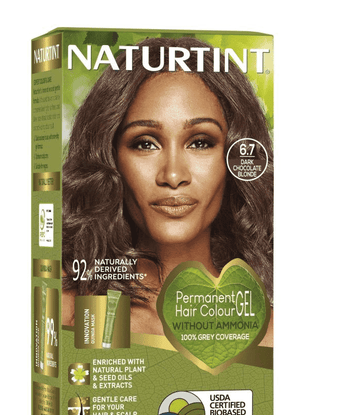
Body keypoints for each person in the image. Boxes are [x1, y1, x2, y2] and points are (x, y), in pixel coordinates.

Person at [62, 37, 273, 346]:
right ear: (110, 158)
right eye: (145, 144)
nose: (173, 176)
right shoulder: (75, 313)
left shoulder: (266, 335)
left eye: (200, 142)